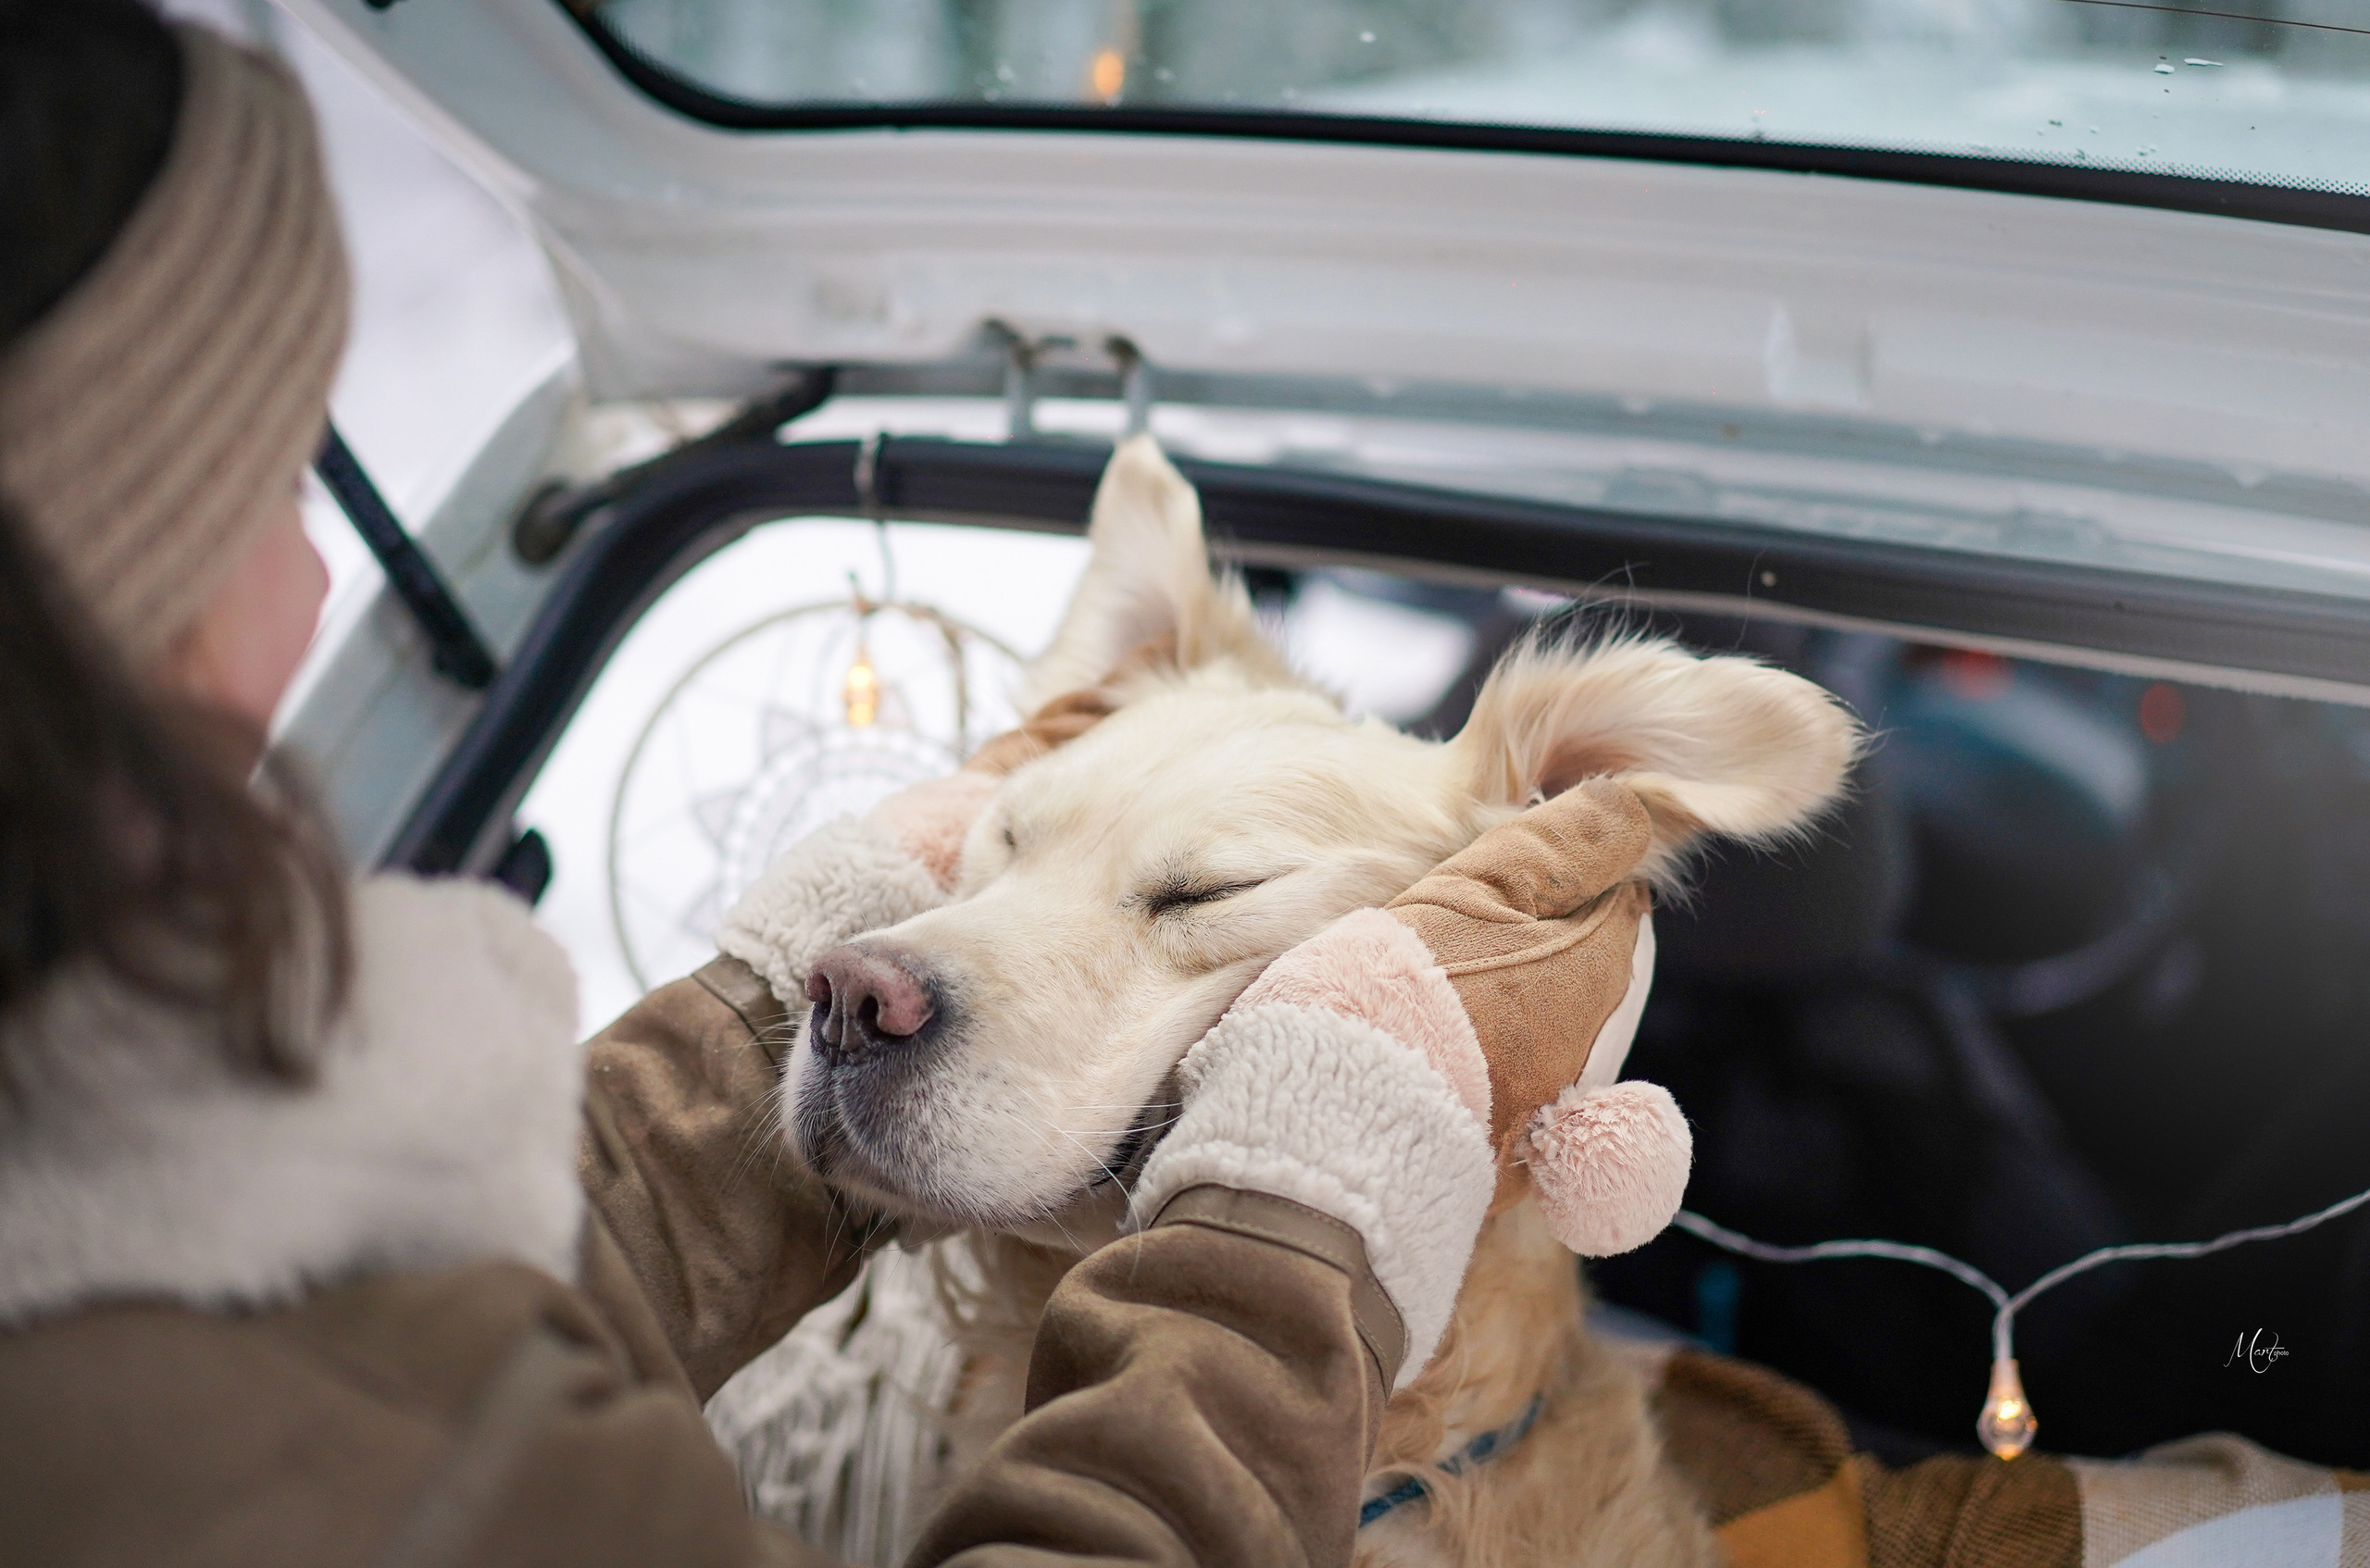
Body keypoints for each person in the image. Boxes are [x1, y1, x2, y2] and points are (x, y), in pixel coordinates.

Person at [0, 7, 1644, 1565]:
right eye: (285, 476)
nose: (310, 565)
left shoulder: (111, 1142)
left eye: (1199, 894)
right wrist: (1295, 1221)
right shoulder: (231, 1408)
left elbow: (422, 1309)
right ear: (118, 553)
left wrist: (749, 1023)